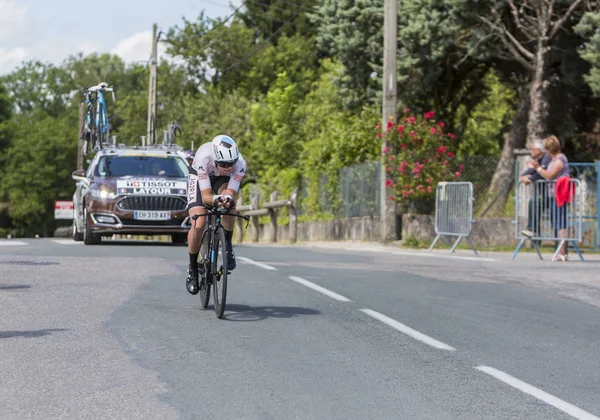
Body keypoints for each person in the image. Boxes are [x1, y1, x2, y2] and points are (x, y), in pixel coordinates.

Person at [185, 135, 246, 294]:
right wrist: (214, 199)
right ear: (216, 158)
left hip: (221, 180)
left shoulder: (239, 164)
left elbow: (231, 191)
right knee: (198, 223)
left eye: (231, 163)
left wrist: (227, 199)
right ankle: (192, 269)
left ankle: (227, 246)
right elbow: (205, 196)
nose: (228, 167)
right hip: (199, 176)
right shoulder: (203, 158)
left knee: (229, 205)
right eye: (224, 164)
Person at [526, 135, 570, 261]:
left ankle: (562, 252)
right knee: (556, 222)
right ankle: (560, 251)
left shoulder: (559, 160)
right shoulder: (553, 159)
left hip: (559, 195)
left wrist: (537, 168)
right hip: (553, 194)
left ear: (550, 149)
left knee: (560, 223)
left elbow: (550, 176)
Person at [520, 140, 552, 238]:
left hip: (551, 193)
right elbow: (532, 170)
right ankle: (533, 229)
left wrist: (529, 179)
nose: (531, 151)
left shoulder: (546, 158)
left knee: (534, 203)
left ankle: (532, 229)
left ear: (539, 150)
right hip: (544, 192)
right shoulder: (537, 159)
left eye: (532, 149)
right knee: (533, 203)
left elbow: (541, 173)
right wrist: (523, 176)